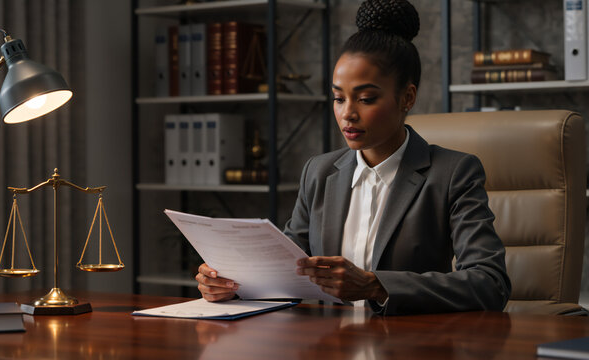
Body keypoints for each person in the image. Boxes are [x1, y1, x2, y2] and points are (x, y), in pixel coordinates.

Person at [195, 0, 511, 315]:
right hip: (329, 344)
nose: (348, 114)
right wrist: (231, 286)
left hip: (411, 343)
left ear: (407, 97)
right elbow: (284, 272)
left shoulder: (453, 173)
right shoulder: (318, 173)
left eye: (366, 98)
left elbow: (489, 283)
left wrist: (376, 285)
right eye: (338, 98)